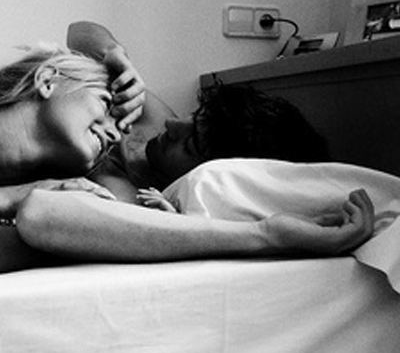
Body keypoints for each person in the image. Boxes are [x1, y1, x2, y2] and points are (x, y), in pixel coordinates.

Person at [0, 24, 375, 273]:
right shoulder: (143, 122)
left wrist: (266, 234)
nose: (172, 126)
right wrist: (115, 54)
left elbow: (47, 219)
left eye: (191, 142)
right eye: (192, 120)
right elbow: (80, 32)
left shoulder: (131, 199)